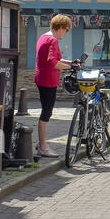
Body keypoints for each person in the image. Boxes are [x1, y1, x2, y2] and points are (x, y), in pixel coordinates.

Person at [35, 14, 80, 157]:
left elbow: (56, 59)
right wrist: (71, 67)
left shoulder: (44, 37)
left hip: (42, 78)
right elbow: (52, 62)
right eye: (66, 30)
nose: (65, 33)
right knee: (46, 113)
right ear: (60, 27)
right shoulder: (53, 40)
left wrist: (71, 63)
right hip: (48, 80)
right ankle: (43, 146)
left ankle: (41, 143)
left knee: (45, 111)